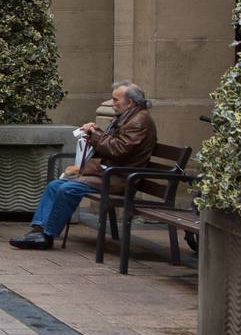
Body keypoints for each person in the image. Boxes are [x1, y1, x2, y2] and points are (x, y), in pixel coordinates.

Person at [12, 83, 157, 251]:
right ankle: (38, 230)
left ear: (130, 102)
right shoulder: (129, 117)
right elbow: (114, 143)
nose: (112, 103)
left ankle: (47, 235)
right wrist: (95, 131)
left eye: (116, 99)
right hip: (109, 173)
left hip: (120, 178)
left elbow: (118, 149)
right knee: (55, 186)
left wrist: (95, 134)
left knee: (68, 189)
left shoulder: (139, 121)